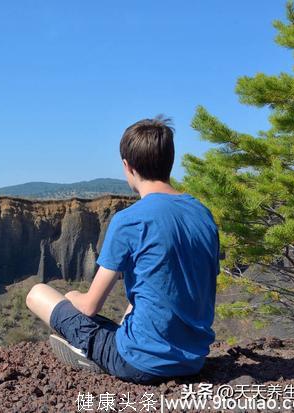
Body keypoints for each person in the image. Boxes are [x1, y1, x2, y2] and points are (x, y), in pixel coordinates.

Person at [26, 115, 220, 384]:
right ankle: (118, 343)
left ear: (128, 167)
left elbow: (91, 306)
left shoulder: (129, 220)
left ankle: (93, 355)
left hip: (139, 363)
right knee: (141, 294)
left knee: (37, 293)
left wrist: (71, 295)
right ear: (170, 162)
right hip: (193, 360)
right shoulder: (202, 214)